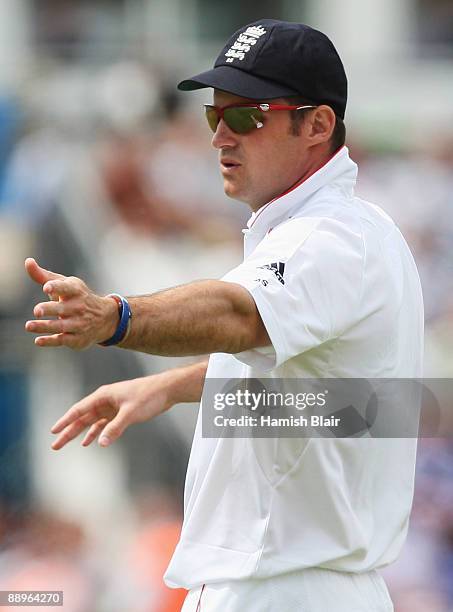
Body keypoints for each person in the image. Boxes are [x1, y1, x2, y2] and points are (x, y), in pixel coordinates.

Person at [25, 19, 423, 612]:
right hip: (291, 587)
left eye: (246, 117)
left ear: (317, 124)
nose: (220, 137)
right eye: (216, 116)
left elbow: (241, 315)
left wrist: (116, 317)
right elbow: (329, 398)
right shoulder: (337, 236)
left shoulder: (333, 236)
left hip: (286, 590)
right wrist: (174, 386)